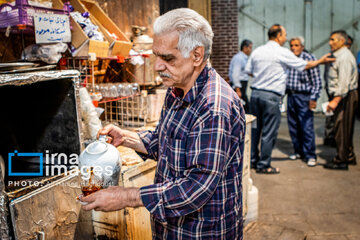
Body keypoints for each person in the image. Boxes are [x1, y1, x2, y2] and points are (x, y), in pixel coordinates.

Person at [80, 8, 246, 239]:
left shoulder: (214, 108)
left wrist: (125, 196)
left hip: (200, 232)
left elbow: (196, 188)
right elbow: (166, 141)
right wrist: (127, 138)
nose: (158, 66)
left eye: (167, 58)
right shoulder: (177, 88)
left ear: (197, 55)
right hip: (170, 229)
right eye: (157, 55)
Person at [245, 24, 334, 174]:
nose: (286, 39)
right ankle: (264, 165)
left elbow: (248, 71)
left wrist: (262, 78)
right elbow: (304, 66)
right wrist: (320, 61)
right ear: (278, 36)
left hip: (255, 94)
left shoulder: (258, 51)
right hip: (271, 96)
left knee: (255, 130)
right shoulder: (281, 52)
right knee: (269, 132)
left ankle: (252, 160)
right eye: (285, 35)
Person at [324, 30, 358, 170]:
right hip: (343, 95)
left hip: (344, 97)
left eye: (333, 40)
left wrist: (335, 101)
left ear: (342, 41)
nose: (330, 42)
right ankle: (349, 155)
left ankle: (341, 160)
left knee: (341, 128)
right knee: (345, 127)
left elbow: (343, 84)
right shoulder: (337, 55)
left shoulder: (344, 57)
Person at [286, 36, 322, 167]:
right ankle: (298, 151)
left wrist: (314, 98)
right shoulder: (289, 58)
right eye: (292, 45)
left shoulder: (309, 58)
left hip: (304, 97)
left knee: (306, 127)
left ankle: (310, 155)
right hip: (291, 96)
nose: (294, 48)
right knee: (293, 126)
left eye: (296, 45)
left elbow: (317, 81)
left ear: (302, 46)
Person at [229, 39, 253, 112]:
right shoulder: (239, 58)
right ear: (245, 48)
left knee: (243, 107)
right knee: (244, 108)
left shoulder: (244, 58)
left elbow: (245, 71)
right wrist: (238, 90)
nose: (251, 50)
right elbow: (235, 74)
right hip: (239, 86)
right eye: (250, 47)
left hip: (242, 86)